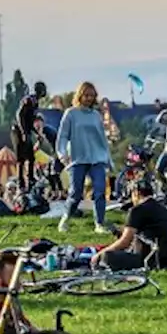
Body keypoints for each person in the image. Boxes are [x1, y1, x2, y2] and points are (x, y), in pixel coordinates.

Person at [56, 81, 112, 233]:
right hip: (78, 158)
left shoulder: (96, 116)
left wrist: (108, 159)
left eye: (92, 96)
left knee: (100, 191)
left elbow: (102, 140)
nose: (89, 98)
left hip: (97, 158)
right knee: (76, 193)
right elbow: (62, 136)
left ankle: (99, 224)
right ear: (80, 95)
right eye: (86, 95)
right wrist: (62, 154)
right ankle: (66, 218)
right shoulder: (71, 114)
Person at [91, 181, 167, 270]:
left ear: (136, 193)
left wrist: (100, 254)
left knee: (106, 256)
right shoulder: (162, 208)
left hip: (151, 260)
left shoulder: (137, 210)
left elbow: (125, 242)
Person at [10, 83, 47, 188]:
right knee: (20, 157)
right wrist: (23, 132)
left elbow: (30, 122)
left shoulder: (35, 103)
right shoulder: (29, 100)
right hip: (17, 130)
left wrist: (37, 134)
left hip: (25, 130)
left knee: (31, 156)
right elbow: (20, 115)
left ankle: (30, 178)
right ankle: (20, 181)